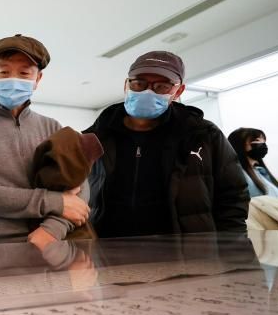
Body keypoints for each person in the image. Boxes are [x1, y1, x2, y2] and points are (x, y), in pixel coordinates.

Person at [86, 50, 249, 238]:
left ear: (178, 91)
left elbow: (233, 197)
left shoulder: (203, 135)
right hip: (107, 248)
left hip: (185, 250)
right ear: (126, 85)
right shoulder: (95, 136)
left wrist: (232, 248)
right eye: (139, 83)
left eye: (162, 86)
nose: (148, 91)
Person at [0, 34, 90, 248]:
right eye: (4, 72)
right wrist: (56, 201)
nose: (13, 80)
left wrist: (52, 229)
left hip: (47, 243)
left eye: (24, 73)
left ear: (38, 79)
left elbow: (79, 186)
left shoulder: (53, 127)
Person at [228, 127, 278, 198]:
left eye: (263, 141)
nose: (262, 144)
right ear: (240, 144)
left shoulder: (260, 171)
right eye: (257, 140)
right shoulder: (238, 176)